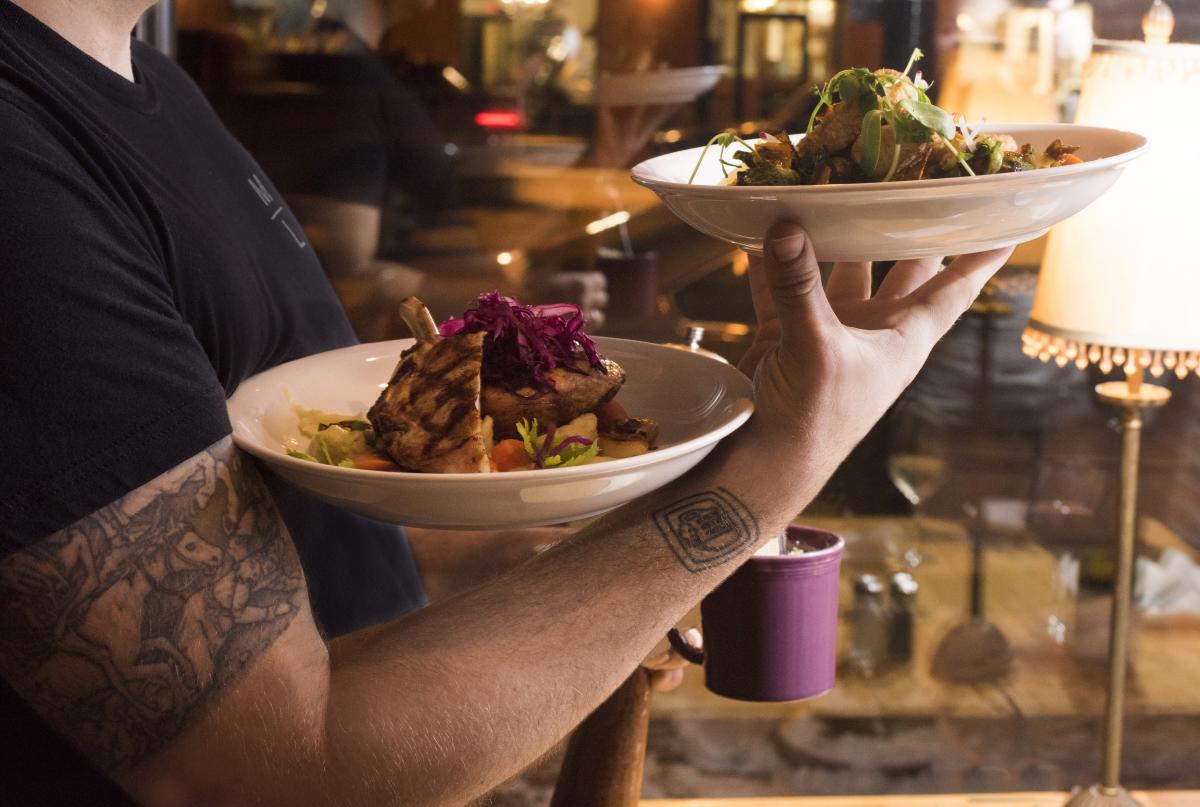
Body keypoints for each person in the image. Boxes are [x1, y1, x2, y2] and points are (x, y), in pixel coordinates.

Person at [0, 1, 1013, 805]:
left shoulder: (144, 77)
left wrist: (576, 568)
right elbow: (274, 769)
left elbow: (250, 541)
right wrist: (785, 457)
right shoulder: (19, 154)